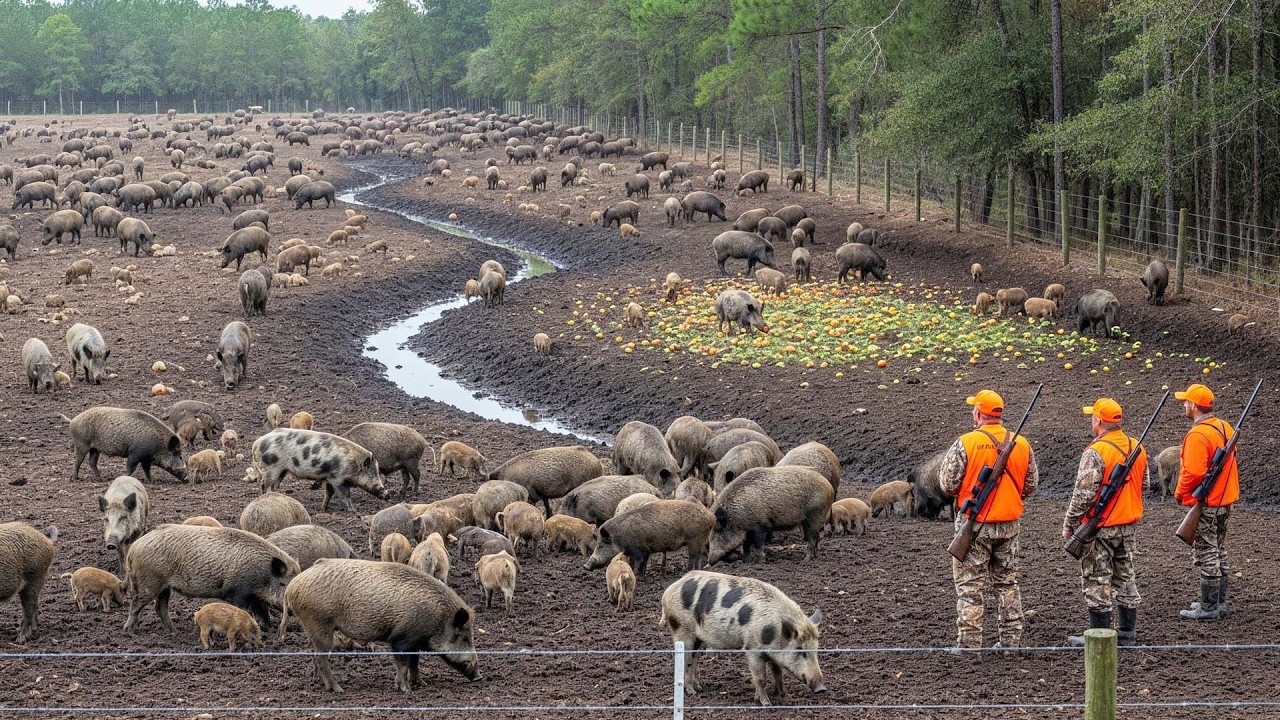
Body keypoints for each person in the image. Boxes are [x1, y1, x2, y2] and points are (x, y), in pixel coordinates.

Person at [939, 389, 1039, 649]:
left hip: (974, 525)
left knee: (970, 587)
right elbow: (1031, 485)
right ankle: (1011, 642)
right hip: (1009, 526)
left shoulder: (966, 442)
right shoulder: (1022, 444)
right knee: (1007, 583)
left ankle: (969, 645)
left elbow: (947, 484)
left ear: (978, 413)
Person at [1062, 398, 1147, 646]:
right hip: (1128, 525)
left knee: (1097, 580)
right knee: (1126, 576)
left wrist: (1070, 523)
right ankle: (1127, 634)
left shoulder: (1096, 451)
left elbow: (1083, 495)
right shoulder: (1137, 447)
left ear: (1098, 421)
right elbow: (1144, 484)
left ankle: (1099, 638)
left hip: (1100, 528)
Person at [1174, 383, 1239, 621]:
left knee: (1207, 551)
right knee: (1218, 548)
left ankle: (1209, 607)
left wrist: (1180, 493)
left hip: (1208, 502)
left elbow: (1193, 472)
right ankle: (1218, 602)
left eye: (1186, 401)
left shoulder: (1198, 434)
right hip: (1224, 500)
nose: (1184, 405)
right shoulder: (1225, 427)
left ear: (1193, 405)